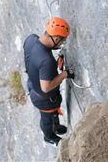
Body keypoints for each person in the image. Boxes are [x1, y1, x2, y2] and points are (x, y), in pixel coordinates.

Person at [23, 17, 73, 146]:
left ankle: (55, 127)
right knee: (46, 118)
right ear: (56, 39)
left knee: (51, 115)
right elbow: (46, 87)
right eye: (62, 42)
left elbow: (34, 61)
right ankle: (49, 136)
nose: (61, 45)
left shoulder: (31, 39)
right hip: (44, 98)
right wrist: (65, 74)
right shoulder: (46, 60)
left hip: (33, 84)